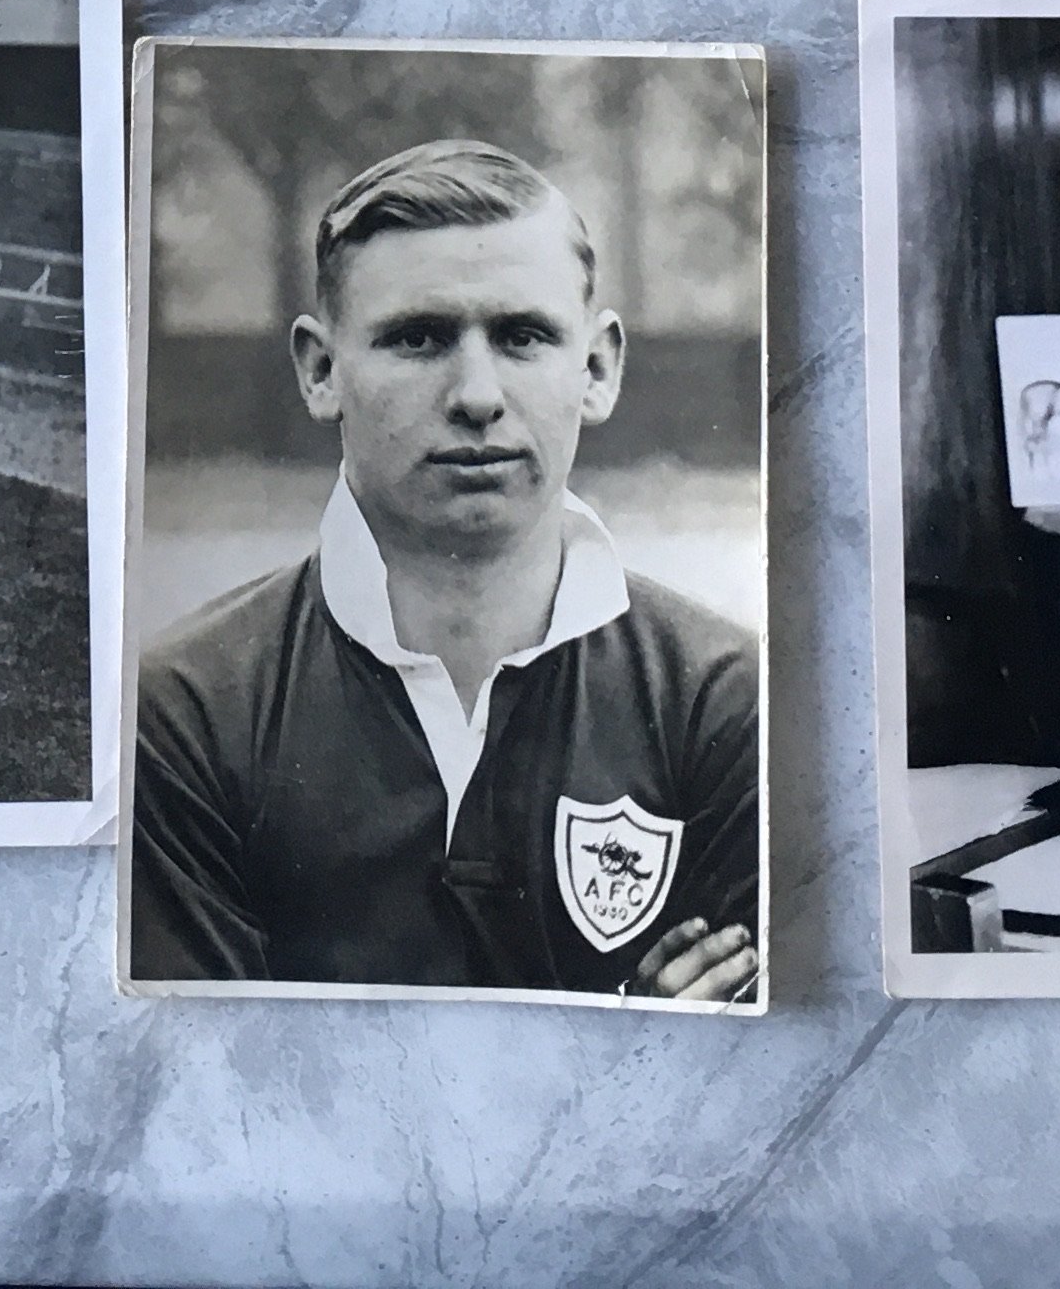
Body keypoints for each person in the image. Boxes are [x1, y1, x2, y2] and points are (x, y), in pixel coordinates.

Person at [127, 141, 762, 999]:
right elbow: (216, 1093)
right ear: (322, 370)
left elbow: (749, 1090)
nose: (475, 394)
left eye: (523, 335)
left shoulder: (724, 700)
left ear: (598, 369)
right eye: (419, 338)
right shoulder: (185, 711)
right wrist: (628, 1039)